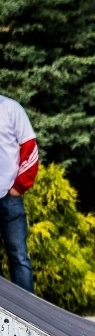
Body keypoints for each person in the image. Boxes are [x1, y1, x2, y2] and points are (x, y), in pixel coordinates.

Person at [0, 95, 39, 293]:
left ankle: (28, 318)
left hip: (9, 198)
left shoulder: (11, 109)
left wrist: (18, 188)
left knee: (19, 257)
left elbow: (30, 150)